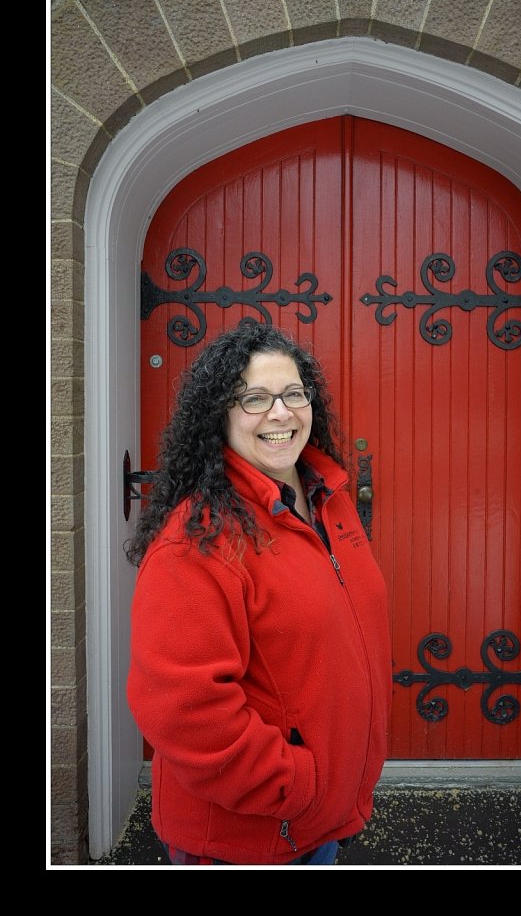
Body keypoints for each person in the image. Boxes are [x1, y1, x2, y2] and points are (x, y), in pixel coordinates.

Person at [126, 319, 392, 866]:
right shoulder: (199, 540)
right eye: (255, 398)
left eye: (294, 393)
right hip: (250, 836)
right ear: (219, 416)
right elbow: (185, 710)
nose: (281, 412)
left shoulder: (327, 500)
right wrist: (295, 786)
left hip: (321, 821)